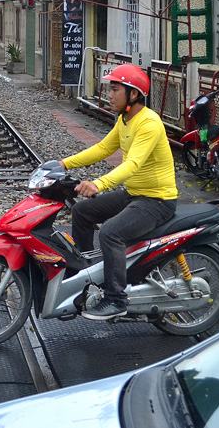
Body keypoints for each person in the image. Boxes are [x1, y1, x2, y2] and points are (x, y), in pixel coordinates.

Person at [61, 63, 177, 320]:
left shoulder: (148, 123)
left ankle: (116, 299)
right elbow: (103, 149)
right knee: (82, 211)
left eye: (115, 89)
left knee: (111, 232)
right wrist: (63, 164)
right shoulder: (125, 120)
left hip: (157, 200)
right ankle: (87, 275)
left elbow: (132, 164)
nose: (109, 94)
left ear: (133, 94)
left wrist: (99, 184)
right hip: (135, 194)